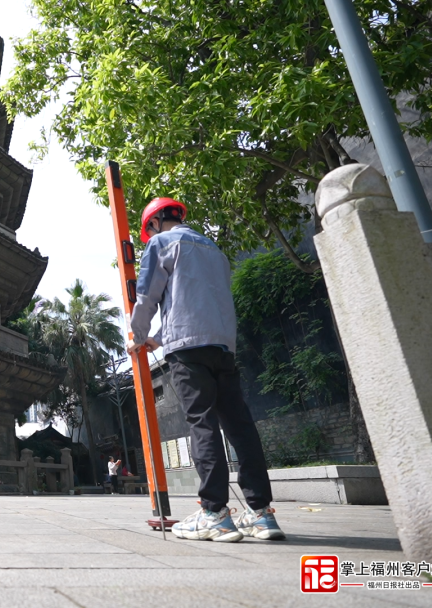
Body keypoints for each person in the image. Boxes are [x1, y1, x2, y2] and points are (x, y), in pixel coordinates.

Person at [129, 197, 284, 542]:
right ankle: (261, 514)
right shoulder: (213, 249)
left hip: (187, 349)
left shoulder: (162, 243)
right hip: (222, 345)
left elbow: (148, 296)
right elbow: (198, 298)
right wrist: (158, 338)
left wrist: (138, 336)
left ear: (153, 224)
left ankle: (214, 512)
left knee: (202, 422)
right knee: (240, 427)